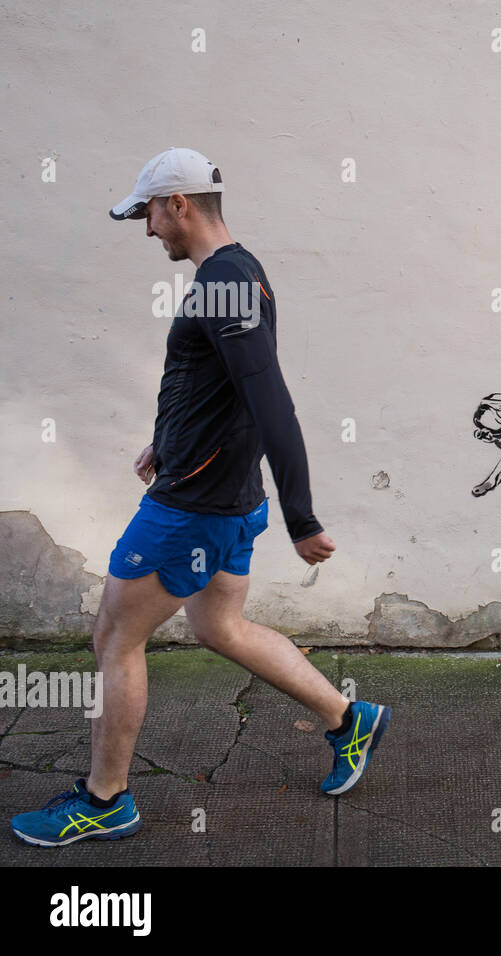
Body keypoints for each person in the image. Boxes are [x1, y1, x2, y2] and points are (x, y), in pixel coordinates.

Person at [10, 148, 390, 847]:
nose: (148, 229)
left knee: (116, 640)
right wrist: (169, 439)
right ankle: (347, 718)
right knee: (221, 629)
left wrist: (302, 517)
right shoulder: (238, 271)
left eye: (150, 214)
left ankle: (104, 800)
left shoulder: (224, 282)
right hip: (222, 496)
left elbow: (271, 400)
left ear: (178, 204)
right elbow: (222, 384)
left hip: (192, 510)